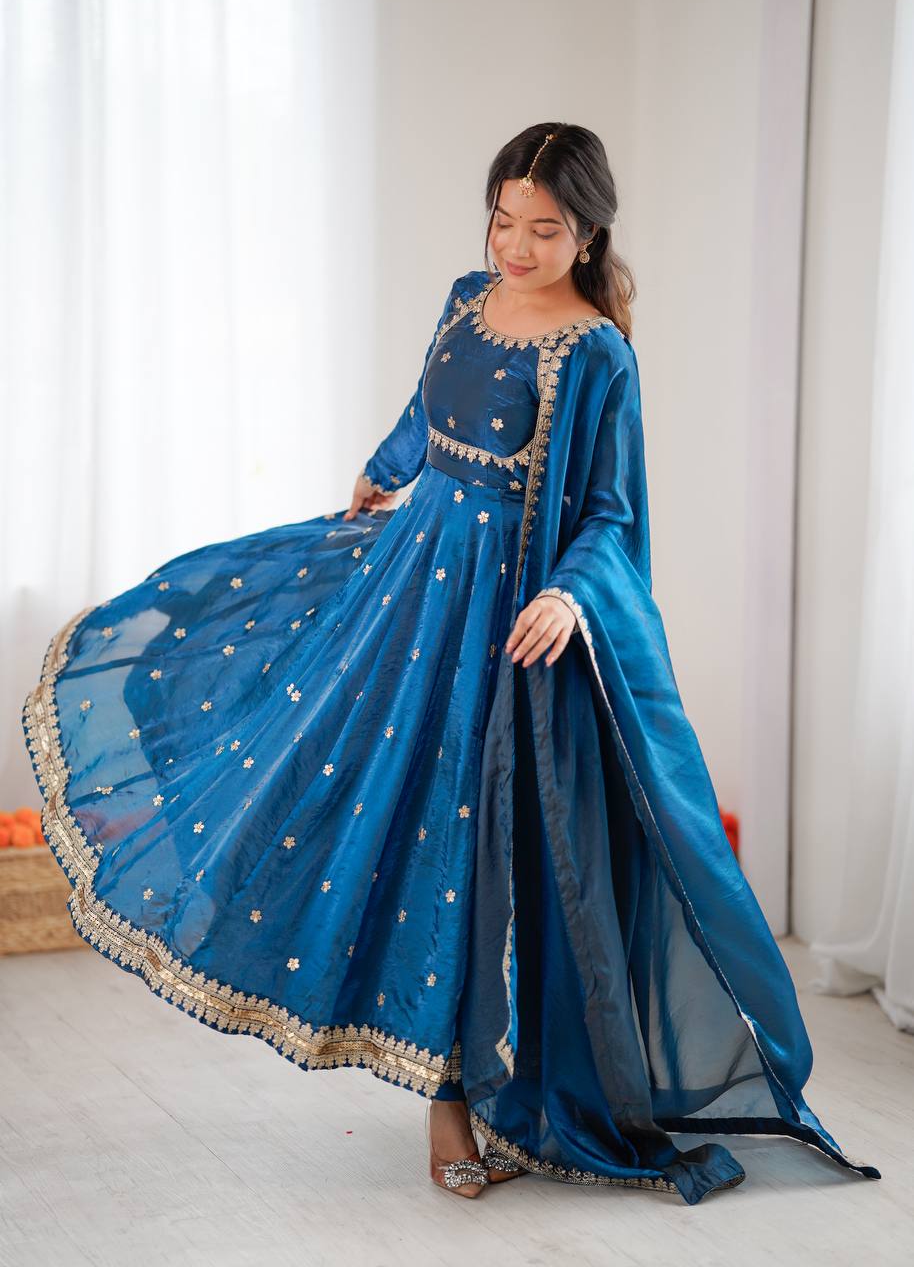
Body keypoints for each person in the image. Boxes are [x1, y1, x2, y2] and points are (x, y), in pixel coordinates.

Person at [21, 122, 881, 1205]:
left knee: (479, 851)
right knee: (366, 804)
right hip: (411, 591)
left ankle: (483, 1090)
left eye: (543, 229)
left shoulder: (596, 354)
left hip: (510, 625)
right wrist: (382, 469)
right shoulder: (466, 299)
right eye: (503, 220)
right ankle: (444, 1096)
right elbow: (424, 415)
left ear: (587, 234)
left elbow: (611, 512)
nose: (515, 246)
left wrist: (569, 595)